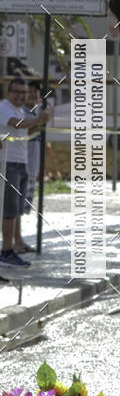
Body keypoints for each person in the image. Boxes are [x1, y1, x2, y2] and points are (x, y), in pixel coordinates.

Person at [0, 78, 50, 268]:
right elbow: (17, 124)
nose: (21, 96)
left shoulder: (22, 110)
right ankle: (6, 250)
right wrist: (38, 119)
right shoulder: (4, 108)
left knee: (16, 210)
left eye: (23, 93)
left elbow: (27, 131)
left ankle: (11, 247)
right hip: (7, 163)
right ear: (8, 93)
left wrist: (40, 120)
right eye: (17, 92)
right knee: (9, 211)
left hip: (21, 163)